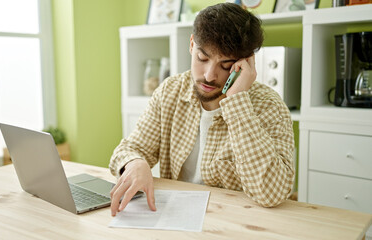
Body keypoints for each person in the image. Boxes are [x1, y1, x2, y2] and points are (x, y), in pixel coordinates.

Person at [109, 2, 295, 216]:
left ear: (246, 64)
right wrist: (135, 163)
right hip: (176, 216)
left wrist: (237, 102)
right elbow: (128, 149)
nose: (209, 75)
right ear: (191, 44)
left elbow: (272, 194)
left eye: (225, 66)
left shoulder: (269, 106)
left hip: (238, 223)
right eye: (202, 58)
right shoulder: (170, 91)